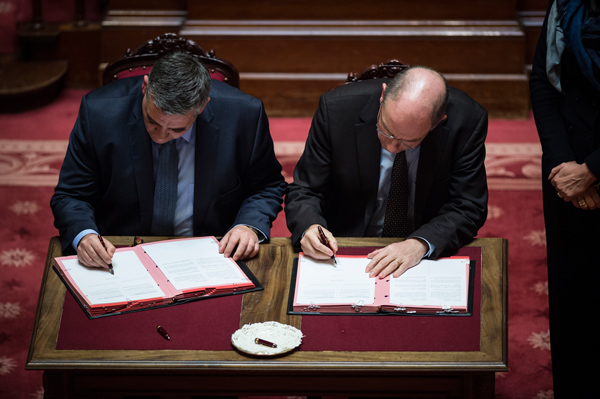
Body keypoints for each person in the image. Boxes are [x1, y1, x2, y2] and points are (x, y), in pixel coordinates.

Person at [51, 51, 286, 269]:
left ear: (203, 106)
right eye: (152, 121)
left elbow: (266, 186)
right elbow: (71, 194)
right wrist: (84, 234)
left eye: (177, 129)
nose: (161, 136)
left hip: (213, 252)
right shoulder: (98, 113)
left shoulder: (244, 115)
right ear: (145, 88)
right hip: (122, 254)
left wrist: (248, 226)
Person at [285, 66, 488, 278]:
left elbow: (468, 205)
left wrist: (419, 244)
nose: (390, 147)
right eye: (385, 129)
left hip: (422, 254)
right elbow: (305, 189)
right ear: (382, 96)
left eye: (407, 142)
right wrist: (310, 227)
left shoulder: (467, 121)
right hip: (344, 248)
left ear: (437, 122)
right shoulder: (336, 110)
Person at [530, 0, 600, 396]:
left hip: (588, 169)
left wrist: (592, 170)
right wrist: (563, 166)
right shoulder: (567, 4)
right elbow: (543, 82)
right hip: (566, 178)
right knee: (574, 299)